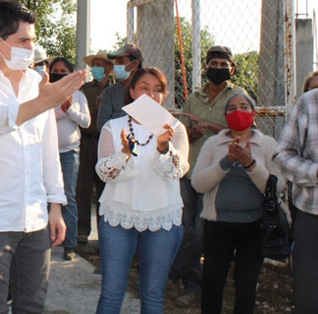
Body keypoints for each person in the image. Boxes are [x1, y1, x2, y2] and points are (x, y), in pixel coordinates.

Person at [0, 0, 86, 313]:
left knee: (32, 304)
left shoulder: (37, 83)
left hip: (35, 215)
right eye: (23, 40)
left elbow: (47, 149)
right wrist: (40, 103)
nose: (30, 48)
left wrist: (55, 206)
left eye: (33, 40)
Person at [95, 67, 189, 314]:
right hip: (119, 217)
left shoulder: (175, 128)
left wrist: (163, 147)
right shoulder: (113, 127)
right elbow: (104, 172)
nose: (152, 95)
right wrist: (125, 154)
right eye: (145, 88)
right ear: (133, 91)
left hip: (161, 219)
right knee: (111, 294)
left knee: (153, 295)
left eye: (158, 90)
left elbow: (177, 171)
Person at [170, 46, 247, 307]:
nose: (218, 68)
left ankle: (173, 272)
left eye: (224, 64)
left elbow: (245, 131)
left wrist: (212, 127)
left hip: (218, 175)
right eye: (214, 63)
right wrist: (192, 134)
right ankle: (192, 286)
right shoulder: (195, 98)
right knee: (186, 229)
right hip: (190, 170)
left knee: (202, 233)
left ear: (232, 69)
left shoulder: (238, 96)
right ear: (206, 67)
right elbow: (182, 134)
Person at [191, 93, 280, 314]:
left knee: (246, 285)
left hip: (254, 226)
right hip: (218, 224)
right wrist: (226, 162)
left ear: (254, 114)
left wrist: (250, 164)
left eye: (243, 106)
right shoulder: (214, 143)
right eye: (232, 108)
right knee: (212, 282)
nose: (238, 111)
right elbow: (198, 184)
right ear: (225, 116)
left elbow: (276, 188)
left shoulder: (268, 145)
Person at [273, 88, 318, 313]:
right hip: (312, 218)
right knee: (309, 299)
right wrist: (314, 173)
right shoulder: (309, 103)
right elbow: (282, 155)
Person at [50, 56, 91, 260]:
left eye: (63, 71)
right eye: (55, 71)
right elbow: (44, 118)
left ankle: (70, 245)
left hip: (69, 153)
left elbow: (86, 122)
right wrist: (61, 110)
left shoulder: (79, 95)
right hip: (48, 153)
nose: (59, 74)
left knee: (68, 197)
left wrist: (71, 109)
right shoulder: (46, 93)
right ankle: (46, 240)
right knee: (47, 197)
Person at [77, 50, 114, 243]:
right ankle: (81, 231)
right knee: (83, 186)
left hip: (106, 141)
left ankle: (104, 231)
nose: (96, 69)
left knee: (105, 187)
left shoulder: (116, 91)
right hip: (87, 140)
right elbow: (81, 117)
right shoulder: (85, 90)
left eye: (100, 65)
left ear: (109, 68)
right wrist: (95, 108)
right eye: (94, 65)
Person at [96, 43, 143, 131]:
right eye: (116, 62)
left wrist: (116, 120)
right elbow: (102, 125)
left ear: (135, 63)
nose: (117, 65)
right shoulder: (109, 92)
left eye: (121, 62)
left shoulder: (146, 91)